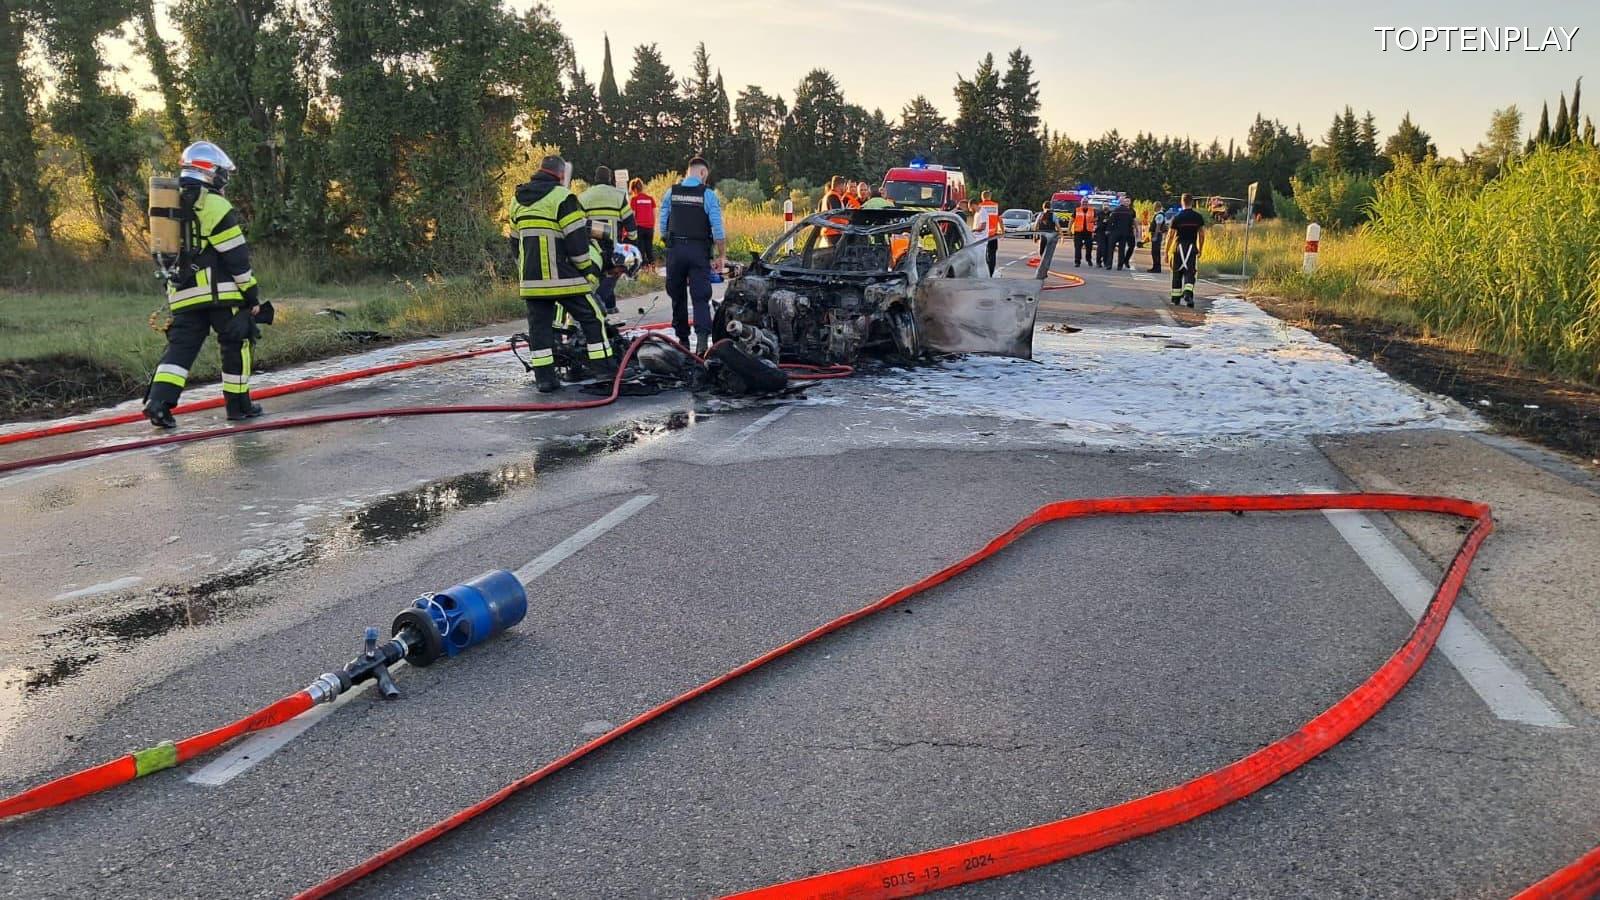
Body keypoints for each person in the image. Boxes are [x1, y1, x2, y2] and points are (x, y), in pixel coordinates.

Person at [143, 140, 269, 428]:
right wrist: (251, 296)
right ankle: (239, 407)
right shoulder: (215, 204)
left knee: (180, 350)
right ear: (212, 173)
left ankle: (158, 404)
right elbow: (236, 257)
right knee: (236, 343)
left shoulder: (168, 202)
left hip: (182, 294)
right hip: (221, 295)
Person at [510, 154, 617, 393]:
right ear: (561, 174)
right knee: (593, 317)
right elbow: (576, 241)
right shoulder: (563, 197)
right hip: (564, 278)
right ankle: (604, 370)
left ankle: (545, 379)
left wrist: (526, 269)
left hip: (532, 281)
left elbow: (515, 243)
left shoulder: (517, 199)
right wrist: (587, 270)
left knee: (539, 328)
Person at [659, 155, 726, 354]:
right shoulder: (708, 195)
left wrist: (668, 243)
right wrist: (721, 255)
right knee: (700, 297)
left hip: (675, 250)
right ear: (703, 172)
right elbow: (717, 229)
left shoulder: (671, 193)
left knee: (677, 296)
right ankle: (702, 345)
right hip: (698, 251)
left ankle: (682, 341)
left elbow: (662, 223)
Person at [577, 166, 635, 314]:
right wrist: (632, 237)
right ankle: (601, 301)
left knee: (598, 274)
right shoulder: (618, 195)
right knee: (612, 273)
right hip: (613, 244)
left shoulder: (584, 197)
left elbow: (577, 223)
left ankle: (609, 306)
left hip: (592, 246)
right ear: (610, 178)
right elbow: (629, 220)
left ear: (595, 178)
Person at [1168, 192, 1206, 307]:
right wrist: (1200, 248)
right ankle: (1188, 294)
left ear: (1182, 202)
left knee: (1177, 273)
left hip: (1178, 247)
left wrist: (1167, 251)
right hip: (1191, 247)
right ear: (1192, 202)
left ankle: (1176, 298)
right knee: (1190, 272)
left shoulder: (1177, 217)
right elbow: (1202, 234)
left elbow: (1170, 235)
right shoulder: (1198, 217)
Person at [628, 177, 656, 266]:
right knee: (649, 248)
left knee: (641, 249)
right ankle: (652, 266)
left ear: (634, 189)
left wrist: (630, 228)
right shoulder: (650, 199)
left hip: (639, 227)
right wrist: (653, 226)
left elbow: (633, 215)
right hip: (650, 228)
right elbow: (654, 214)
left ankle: (643, 267)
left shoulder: (634, 199)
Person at [972, 190, 1001, 275]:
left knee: (983, 254)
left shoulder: (980, 206)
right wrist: (1002, 230)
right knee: (992, 255)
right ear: (990, 197)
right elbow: (999, 219)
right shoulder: (995, 205)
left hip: (982, 235)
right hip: (993, 234)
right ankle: (990, 273)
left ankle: (983, 272)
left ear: (982, 197)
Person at [1110, 201, 1136, 270]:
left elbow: (1111, 220)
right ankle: (1120, 265)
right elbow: (1131, 222)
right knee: (1121, 249)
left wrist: (1110, 229)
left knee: (1111, 248)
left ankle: (1109, 264)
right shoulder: (1129, 212)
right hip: (1124, 232)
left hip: (1115, 232)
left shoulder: (1116, 210)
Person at [1070, 202, 1095, 267]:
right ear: (1081, 203)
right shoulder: (1077, 210)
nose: (1085, 204)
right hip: (1078, 231)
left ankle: (1088, 259)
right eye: (1083, 202)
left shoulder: (1092, 210)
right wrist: (1069, 229)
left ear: (1088, 204)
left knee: (1089, 247)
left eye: (1086, 202)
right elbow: (1071, 220)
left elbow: (1096, 219)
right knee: (1077, 247)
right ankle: (1077, 262)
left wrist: (1094, 225)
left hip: (1088, 232)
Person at [1147, 208, 1168, 273]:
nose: (1153, 208)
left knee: (1155, 252)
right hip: (1157, 234)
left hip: (1157, 235)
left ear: (1157, 207)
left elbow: (1158, 226)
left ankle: (1156, 268)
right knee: (1155, 252)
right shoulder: (1159, 215)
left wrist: (1155, 236)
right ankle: (1155, 267)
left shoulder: (1159, 215)